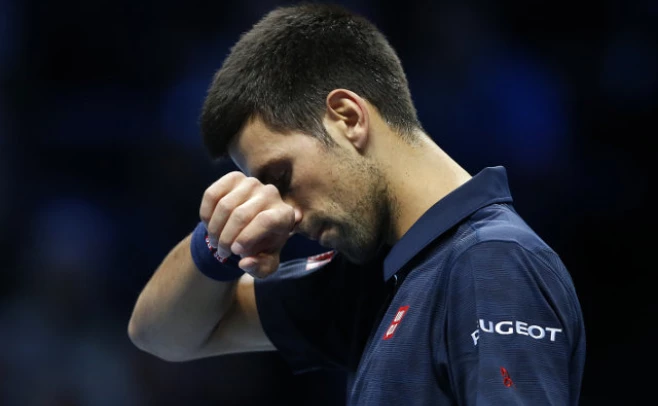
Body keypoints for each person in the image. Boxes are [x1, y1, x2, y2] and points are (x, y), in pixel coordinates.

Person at [128, 3, 586, 405]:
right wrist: (220, 240)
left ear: (348, 118)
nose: (286, 215)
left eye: (281, 177)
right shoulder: (373, 280)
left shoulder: (492, 261)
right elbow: (159, 335)